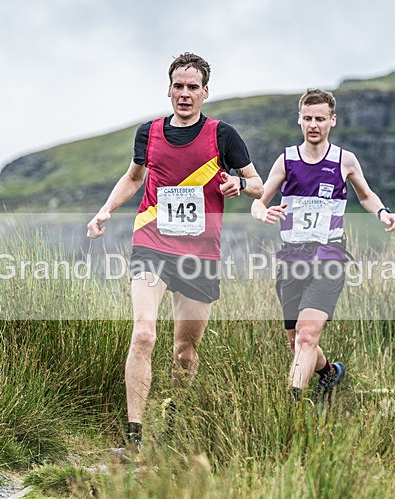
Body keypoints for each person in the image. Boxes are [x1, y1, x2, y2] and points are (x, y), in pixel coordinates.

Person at [87, 52, 263, 449]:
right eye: (178, 87)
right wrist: (105, 211)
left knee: (184, 352)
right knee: (144, 334)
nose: (185, 94)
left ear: (205, 92)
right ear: (169, 89)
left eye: (192, 88)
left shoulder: (222, 135)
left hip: (200, 253)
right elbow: (133, 179)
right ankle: (133, 438)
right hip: (152, 244)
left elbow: (257, 183)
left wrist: (239, 185)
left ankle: (174, 430)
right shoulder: (148, 134)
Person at [251, 88, 395, 405]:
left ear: (332, 120)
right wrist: (263, 212)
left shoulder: (344, 160)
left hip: (329, 258)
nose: (313, 125)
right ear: (299, 120)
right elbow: (258, 201)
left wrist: (383, 212)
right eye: (307, 118)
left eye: (320, 118)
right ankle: (330, 373)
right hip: (292, 259)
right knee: (296, 341)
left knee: (307, 335)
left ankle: (291, 406)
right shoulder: (287, 159)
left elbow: (366, 195)